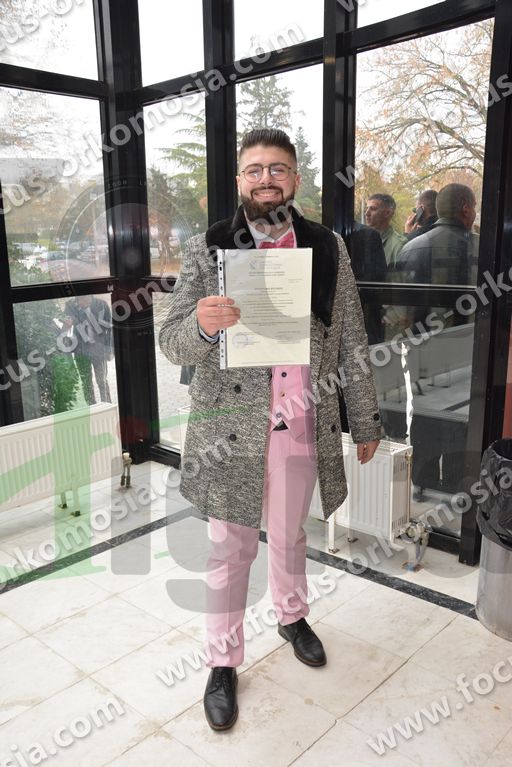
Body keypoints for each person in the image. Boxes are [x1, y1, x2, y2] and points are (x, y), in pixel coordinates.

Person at [159, 128, 381, 732]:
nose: (266, 179)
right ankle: (222, 661)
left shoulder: (327, 247)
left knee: (289, 536)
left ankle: (290, 615)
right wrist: (202, 326)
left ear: (295, 179)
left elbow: (352, 338)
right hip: (229, 429)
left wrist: (365, 417)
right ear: (239, 181)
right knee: (231, 550)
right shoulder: (208, 248)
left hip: (301, 423)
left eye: (277, 169)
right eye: (254, 170)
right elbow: (171, 340)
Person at [397, 183, 479, 286]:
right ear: (466, 210)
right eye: (474, 207)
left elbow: (397, 292)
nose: (475, 213)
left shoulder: (408, 248)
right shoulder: (482, 247)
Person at [64, 295, 113, 405]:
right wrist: (67, 325)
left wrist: (109, 349)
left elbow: (110, 328)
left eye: (87, 299)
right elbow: (65, 329)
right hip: (80, 351)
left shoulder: (101, 305)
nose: (84, 302)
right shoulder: (70, 305)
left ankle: (107, 405)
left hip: (99, 350)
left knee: (102, 381)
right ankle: (91, 407)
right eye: (81, 300)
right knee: (86, 383)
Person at [365, 193, 407, 270]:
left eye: (373, 209)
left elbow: (399, 276)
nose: (366, 213)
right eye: (367, 208)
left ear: (387, 213)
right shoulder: (361, 240)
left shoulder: (399, 245)